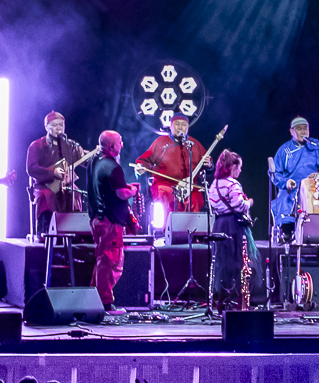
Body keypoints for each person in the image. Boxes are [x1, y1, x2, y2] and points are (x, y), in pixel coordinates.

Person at [84, 130, 138, 312]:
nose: (122, 145)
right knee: (111, 262)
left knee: (101, 260)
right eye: (120, 142)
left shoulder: (93, 162)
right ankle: (105, 303)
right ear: (112, 146)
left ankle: (93, 300)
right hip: (110, 222)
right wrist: (132, 191)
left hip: (96, 219)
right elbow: (121, 193)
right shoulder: (112, 166)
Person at [206, 149, 258, 310]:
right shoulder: (233, 184)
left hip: (220, 224)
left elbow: (212, 204)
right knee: (241, 262)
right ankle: (241, 301)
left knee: (223, 264)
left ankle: (222, 301)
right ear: (233, 167)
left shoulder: (214, 184)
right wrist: (249, 202)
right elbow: (239, 205)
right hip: (234, 225)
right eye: (239, 167)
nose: (240, 170)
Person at [267, 116, 319, 237]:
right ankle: (286, 234)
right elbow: (274, 173)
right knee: (283, 201)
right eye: (299, 129)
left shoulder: (316, 146)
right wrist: (286, 182)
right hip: (290, 190)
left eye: (305, 128)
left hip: (313, 188)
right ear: (291, 131)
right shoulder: (285, 150)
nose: (303, 131)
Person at [25, 110, 89, 232]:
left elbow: (83, 159)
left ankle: (74, 231)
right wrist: (52, 172)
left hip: (65, 184)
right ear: (46, 126)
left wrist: (95, 155)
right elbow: (31, 168)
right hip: (44, 184)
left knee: (75, 192)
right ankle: (45, 231)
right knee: (47, 195)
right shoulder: (36, 145)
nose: (58, 128)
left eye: (61, 125)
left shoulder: (70, 145)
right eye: (54, 125)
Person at [134, 112, 210, 213]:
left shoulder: (194, 144)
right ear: (171, 126)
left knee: (196, 199)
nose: (180, 127)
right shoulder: (161, 142)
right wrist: (140, 167)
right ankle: (168, 228)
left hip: (189, 188)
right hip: (165, 185)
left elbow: (206, 166)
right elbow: (145, 160)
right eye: (177, 124)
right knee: (167, 197)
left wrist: (209, 165)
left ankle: (191, 228)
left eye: (184, 125)